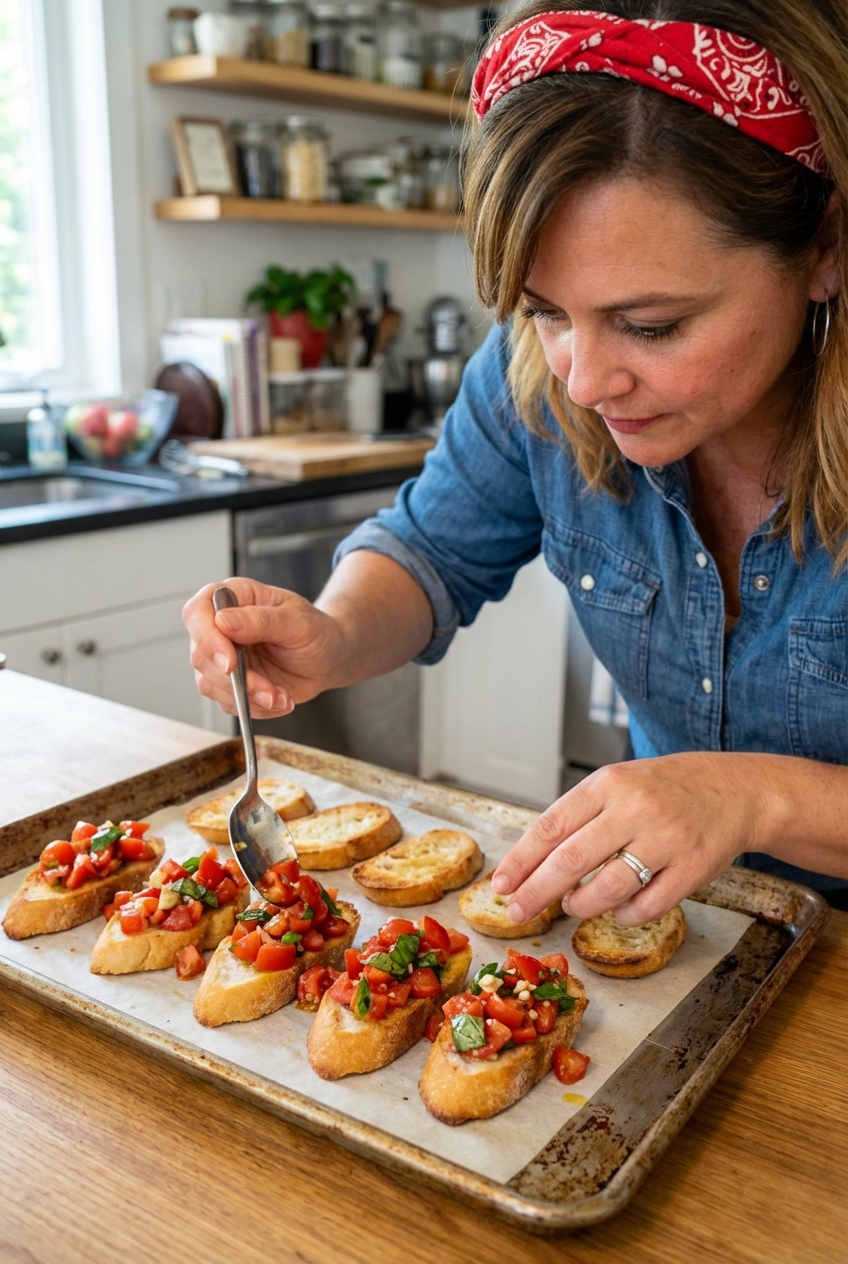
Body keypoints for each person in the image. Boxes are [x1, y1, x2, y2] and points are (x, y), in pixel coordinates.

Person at [183, 0, 847, 924]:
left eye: (651, 325)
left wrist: (754, 796)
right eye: (544, 308)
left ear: (825, 244)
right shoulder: (532, 375)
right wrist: (331, 636)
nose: (582, 380)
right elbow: (429, 553)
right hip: (692, 926)